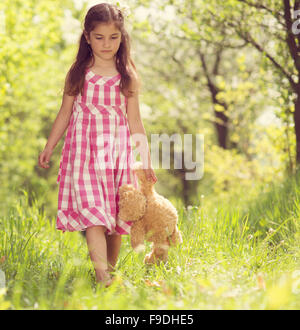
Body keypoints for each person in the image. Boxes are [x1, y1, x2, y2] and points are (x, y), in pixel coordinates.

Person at [38, 3, 157, 287]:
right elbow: (64, 113)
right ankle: (102, 277)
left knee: (114, 218)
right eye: (99, 37)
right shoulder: (79, 72)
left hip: (115, 154)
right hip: (82, 153)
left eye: (113, 37)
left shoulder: (127, 75)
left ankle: (109, 272)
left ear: (122, 37)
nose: (106, 44)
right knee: (94, 214)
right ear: (87, 37)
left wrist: (147, 159)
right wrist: (49, 146)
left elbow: (136, 122)